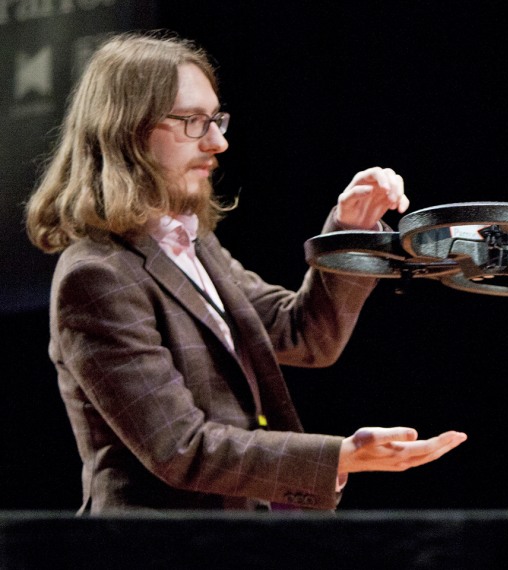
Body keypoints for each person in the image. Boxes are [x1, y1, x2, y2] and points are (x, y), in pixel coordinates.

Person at [24, 31, 467, 513]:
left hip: (226, 540)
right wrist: (340, 456)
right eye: (193, 122)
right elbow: (180, 448)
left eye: (216, 119)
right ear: (127, 128)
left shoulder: (190, 243)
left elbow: (304, 335)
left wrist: (351, 232)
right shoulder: (96, 277)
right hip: (152, 549)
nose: (218, 141)